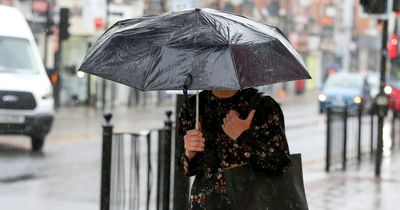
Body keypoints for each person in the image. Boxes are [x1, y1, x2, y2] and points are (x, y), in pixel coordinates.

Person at [177, 88, 291, 210]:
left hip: (253, 202)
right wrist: (189, 154)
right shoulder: (193, 106)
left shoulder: (262, 105)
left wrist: (243, 138)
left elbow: (281, 163)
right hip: (207, 204)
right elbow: (186, 168)